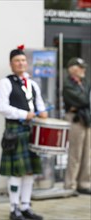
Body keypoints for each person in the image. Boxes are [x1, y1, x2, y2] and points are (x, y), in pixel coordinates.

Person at [0, 46, 48, 220]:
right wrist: (24, 114)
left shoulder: (32, 84)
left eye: (23, 60)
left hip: (31, 131)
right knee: (16, 172)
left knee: (30, 171)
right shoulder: (5, 82)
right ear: (11, 64)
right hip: (14, 130)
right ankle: (14, 208)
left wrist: (43, 111)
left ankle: (26, 207)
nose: (21, 63)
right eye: (17, 61)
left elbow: (39, 104)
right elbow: (1, 107)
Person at [63, 57, 91, 195]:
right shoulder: (68, 83)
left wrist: (84, 99)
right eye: (81, 67)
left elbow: (85, 99)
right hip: (75, 119)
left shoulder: (85, 82)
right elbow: (84, 99)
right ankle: (71, 184)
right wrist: (84, 99)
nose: (83, 70)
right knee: (75, 153)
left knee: (87, 153)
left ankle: (84, 183)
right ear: (72, 69)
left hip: (86, 118)